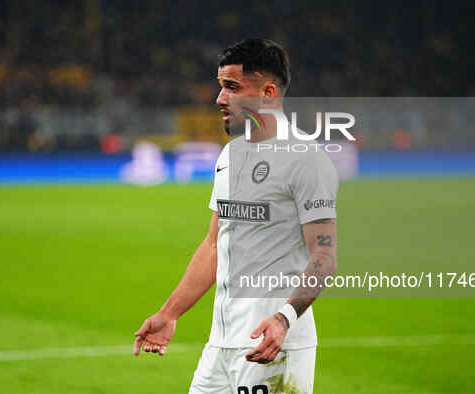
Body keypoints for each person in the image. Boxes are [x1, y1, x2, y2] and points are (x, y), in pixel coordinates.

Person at [134, 39, 339, 393]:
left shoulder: (305, 159)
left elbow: (324, 255)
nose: (219, 98)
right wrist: (169, 313)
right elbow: (214, 244)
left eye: (231, 87)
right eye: (220, 86)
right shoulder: (230, 155)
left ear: (268, 93)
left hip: (273, 345)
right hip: (221, 345)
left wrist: (283, 320)